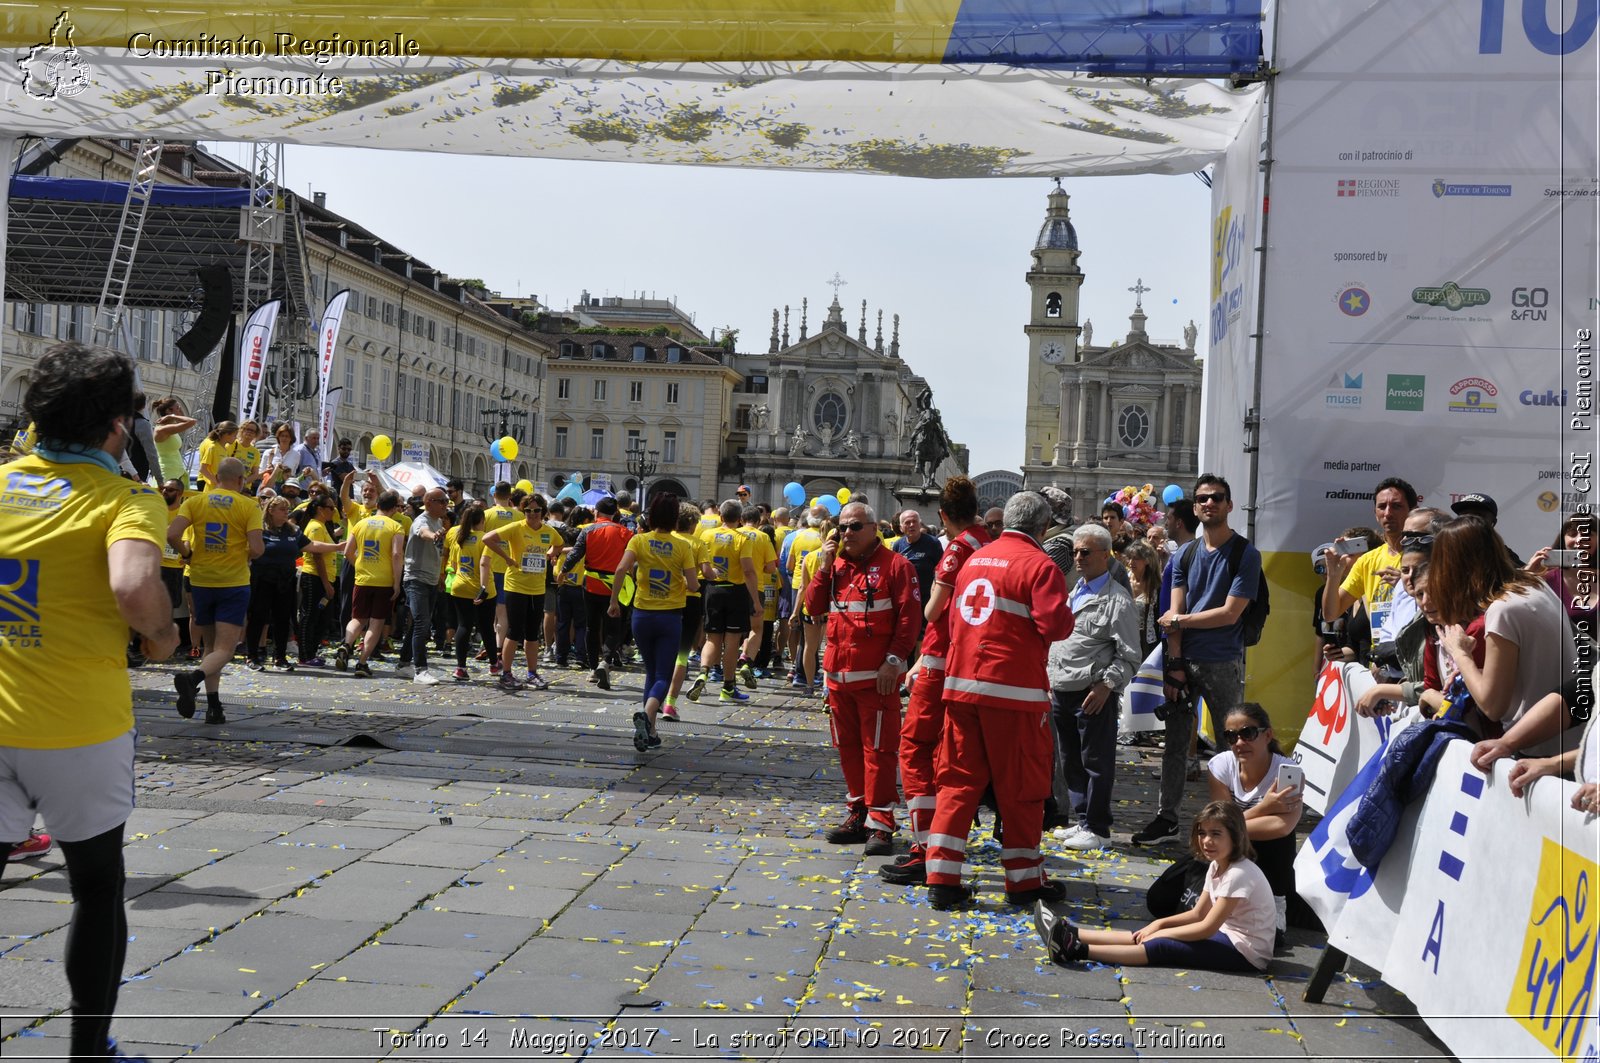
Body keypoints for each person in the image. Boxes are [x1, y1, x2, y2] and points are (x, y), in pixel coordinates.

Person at [0, 343, 181, 1061]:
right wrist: (164, 637)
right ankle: (86, 1051)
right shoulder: (124, 498)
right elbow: (134, 588)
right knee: (97, 886)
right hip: (76, 725)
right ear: (117, 427)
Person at [924, 492, 1073, 910]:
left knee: (956, 781)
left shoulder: (976, 559)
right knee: (1022, 789)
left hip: (961, 687)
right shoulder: (1040, 565)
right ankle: (1024, 882)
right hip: (1015, 694)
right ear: (1043, 528)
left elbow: (954, 617)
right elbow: (1056, 625)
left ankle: (942, 877)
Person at [1140, 473, 1262, 847]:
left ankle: (1231, 820)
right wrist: (1173, 663)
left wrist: (1180, 621)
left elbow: (1230, 613)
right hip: (1183, 658)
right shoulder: (1185, 555)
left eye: (1217, 498)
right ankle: (1167, 818)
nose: (1210, 503)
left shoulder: (1245, 554)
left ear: (1228, 505)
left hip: (1222, 660)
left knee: (1232, 744)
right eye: (1203, 498)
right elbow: (1174, 609)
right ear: (1195, 507)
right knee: (1175, 743)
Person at [880, 477, 990, 886]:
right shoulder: (987, 542)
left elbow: (932, 612)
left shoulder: (957, 550)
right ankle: (942, 842)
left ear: (943, 515)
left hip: (942, 661)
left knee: (914, 748)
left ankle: (925, 843)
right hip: (966, 661)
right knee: (952, 754)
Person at [803, 501, 921, 856]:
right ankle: (858, 812)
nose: (847, 534)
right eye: (842, 528)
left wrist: (893, 662)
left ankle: (881, 823)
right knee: (848, 750)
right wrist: (823, 568)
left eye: (855, 527)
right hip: (838, 679)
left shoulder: (897, 566)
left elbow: (909, 620)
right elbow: (813, 607)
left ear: (874, 528)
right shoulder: (835, 565)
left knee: (880, 751)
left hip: (876, 680)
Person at [1036, 801, 1275, 973]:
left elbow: (1204, 927)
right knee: (1146, 933)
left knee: (1161, 945)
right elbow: (1197, 913)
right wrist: (1158, 924)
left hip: (1247, 952)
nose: (1207, 841)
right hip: (1227, 935)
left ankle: (1075, 949)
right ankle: (1072, 932)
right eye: (1202, 833)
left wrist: (1161, 932)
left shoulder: (1238, 873)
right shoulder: (1215, 865)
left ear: (1235, 837)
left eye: (1216, 834)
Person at [1431, 515, 1575, 746]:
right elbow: (1529, 670)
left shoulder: (1503, 609)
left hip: (1537, 751)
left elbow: (1492, 707)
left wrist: (1460, 653)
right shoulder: (1534, 586)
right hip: (1564, 740)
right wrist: (1474, 671)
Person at [1048, 523, 1142, 851]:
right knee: (1070, 759)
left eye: (1085, 552)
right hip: (1063, 688)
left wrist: (1106, 686)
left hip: (1092, 692)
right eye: (1075, 551)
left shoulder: (1117, 600)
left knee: (1096, 761)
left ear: (1105, 555)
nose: (1078, 558)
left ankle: (1098, 827)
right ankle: (1083, 819)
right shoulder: (1075, 592)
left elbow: (1130, 655)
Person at [167, 457, 265, 723]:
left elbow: (172, 534)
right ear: (240, 480)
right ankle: (192, 679)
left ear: (216, 477)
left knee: (211, 647)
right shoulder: (249, 505)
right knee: (225, 649)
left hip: (200, 581)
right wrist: (244, 552)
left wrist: (187, 553)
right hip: (232, 583)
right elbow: (257, 548)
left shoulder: (195, 501)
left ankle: (214, 708)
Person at [1204, 703, 1304, 939]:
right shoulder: (1220, 765)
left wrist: (1229, 828)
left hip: (1270, 857)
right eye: (1231, 736)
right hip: (1231, 853)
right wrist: (1265, 807)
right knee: (1160, 899)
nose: (1239, 743)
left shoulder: (1287, 771)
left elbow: (1283, 827)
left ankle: (1278, 903)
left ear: (1267, 735)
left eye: (1248, 733)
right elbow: (1216, 824)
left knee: (1279, 840)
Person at [610, 494, 700, 750]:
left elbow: (620, 569)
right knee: (663, 674)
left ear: (650, 518)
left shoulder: (639, 540)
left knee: (651, 671)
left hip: (642, 615)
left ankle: (649, 732)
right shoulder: (682, 546)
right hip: (670, 617)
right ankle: (647, 714)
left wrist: (614, 602)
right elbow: (694, 584)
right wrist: (681, 582)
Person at [1321, 476, 1416, 650]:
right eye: (1382, 507)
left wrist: (1407, 586)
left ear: (1412, 511)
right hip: (1382, 660)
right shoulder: (1367, 560)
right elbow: (1330, 614)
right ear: (1375, 513)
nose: (1388, 513)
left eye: (1396, 506)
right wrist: (1334, 575)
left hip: (1416, 658)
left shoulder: (1426, 555)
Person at [481, 493, 561, 691]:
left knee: (533, 633)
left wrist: (552, 554)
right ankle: (506, 673)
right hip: (516, 586)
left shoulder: (548, 531)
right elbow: (487, 538)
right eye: (528, 510)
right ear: (523, 511)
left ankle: (532, 673)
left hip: (537, 587)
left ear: (543, 512)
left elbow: (558, 544)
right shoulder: (517, 527)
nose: (532, 514)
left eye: (536, 510)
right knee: (514, 631)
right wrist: (507, 558)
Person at [690, 500, 761, 705]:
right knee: (731, 641)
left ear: (720, 516)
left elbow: (702, 566)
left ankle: (703, 672)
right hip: (735, 592)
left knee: (712, 638)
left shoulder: (706, 535)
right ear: (740, 519)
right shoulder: (742, 538)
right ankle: (728, 687)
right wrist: (755, 601)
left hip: (712, 589)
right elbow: (748, 571)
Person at [335, 490, 405, 678]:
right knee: (376, 623)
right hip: (384, 581)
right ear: (394, 508)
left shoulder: (360, 524)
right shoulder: (396, 526)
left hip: (362, 579)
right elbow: (397, 554)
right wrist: (397, 583)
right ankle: (362, 662)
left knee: (358, 618)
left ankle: (346, 644)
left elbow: (348, 552)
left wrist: (358, 564)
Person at [566, 496, 634, 689]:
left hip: (592, 584)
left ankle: (593, 668)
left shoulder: (588, 530)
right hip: (616, 585)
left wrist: (563, 571)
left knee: (592, 626)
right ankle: (606, 661)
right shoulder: (626, 533)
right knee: (613, 627)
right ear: (614, 514)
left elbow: (575, 554)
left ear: (596, 512)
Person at [244, 496, 318, 671]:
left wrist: (339, 547)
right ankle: (251, 656)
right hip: (262, 579)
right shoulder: (260, 530)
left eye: (287, 509)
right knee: (258, 618)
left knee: (283, 619)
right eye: (282, 509)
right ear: (271, 510)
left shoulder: (293, 531)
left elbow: (311, 545)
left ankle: (280, 657)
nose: (287, 512)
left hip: (286, 580)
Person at [401, 488, 450, 685]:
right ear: (428, 502)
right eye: (442, 501)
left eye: (446, 501)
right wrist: (434, 536)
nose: (446, 505)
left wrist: (439, 575)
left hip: (430, 580)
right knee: (423, 624)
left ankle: (404, 663)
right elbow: (424, 533)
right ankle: (421, 670)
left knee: (419, 623)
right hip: (416, 579)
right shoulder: (421, 520)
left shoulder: (439, 521)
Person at [1531, 512, 1598, 646]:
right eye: (1573, 534)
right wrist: (1527, 575)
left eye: (1588, 534)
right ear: (1563, 540)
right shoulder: (1544, 580)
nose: (1580, 540)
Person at [447, 505, 496, 681]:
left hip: (459, 587)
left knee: (464, 626)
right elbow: (484, 564)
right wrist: (483, 588)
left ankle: (460, 668)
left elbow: (452, 564)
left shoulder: (458, 537)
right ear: (482, 521)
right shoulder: (485, 538)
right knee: (486, 628)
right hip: (482, 588)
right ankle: (493, 664)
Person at [297, 493, 342, 666]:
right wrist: (325, 583)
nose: (333, 511)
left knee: (321, 618)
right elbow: (317, 555)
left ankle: (311, 652)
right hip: (314, 577)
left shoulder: (323, 525)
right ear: (320, 509)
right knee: (310, 616)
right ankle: (305, 655)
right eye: (330, 508)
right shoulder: (315, 526)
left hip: (325, 578)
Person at [893, 509, 945, 606]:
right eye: (907, 523)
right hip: (906, 597)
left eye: (914, 521)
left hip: (927, 597)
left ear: (920, 524)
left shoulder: (933, 543)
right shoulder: (898, 546)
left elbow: (941, 570)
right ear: (901, 528)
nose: (912, 525)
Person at [1122, 539, 1162, 659]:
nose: (1131, 562)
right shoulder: (1123, 580)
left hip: (1145, 642)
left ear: (1147, 561)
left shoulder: (1156, 586)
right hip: (1123, 636)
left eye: (1136, 559)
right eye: (1129, 558)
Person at [150, 396, 196, 486]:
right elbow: (192, 421)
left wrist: (173, 416)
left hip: (178, 471)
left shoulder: (171, 427)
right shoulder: (162, 429)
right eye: (178, 408)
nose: (180, 410)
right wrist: (172, 416)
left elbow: (188, 421)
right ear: (168, 411)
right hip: (167, 472)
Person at [196, 420, 238, 491]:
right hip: (211, 489)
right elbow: (203, 469)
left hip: (220, 490)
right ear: (226, 434)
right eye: (234, 435)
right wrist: (217, 482)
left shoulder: (225, 449)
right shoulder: (213, 447)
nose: (236, 438)